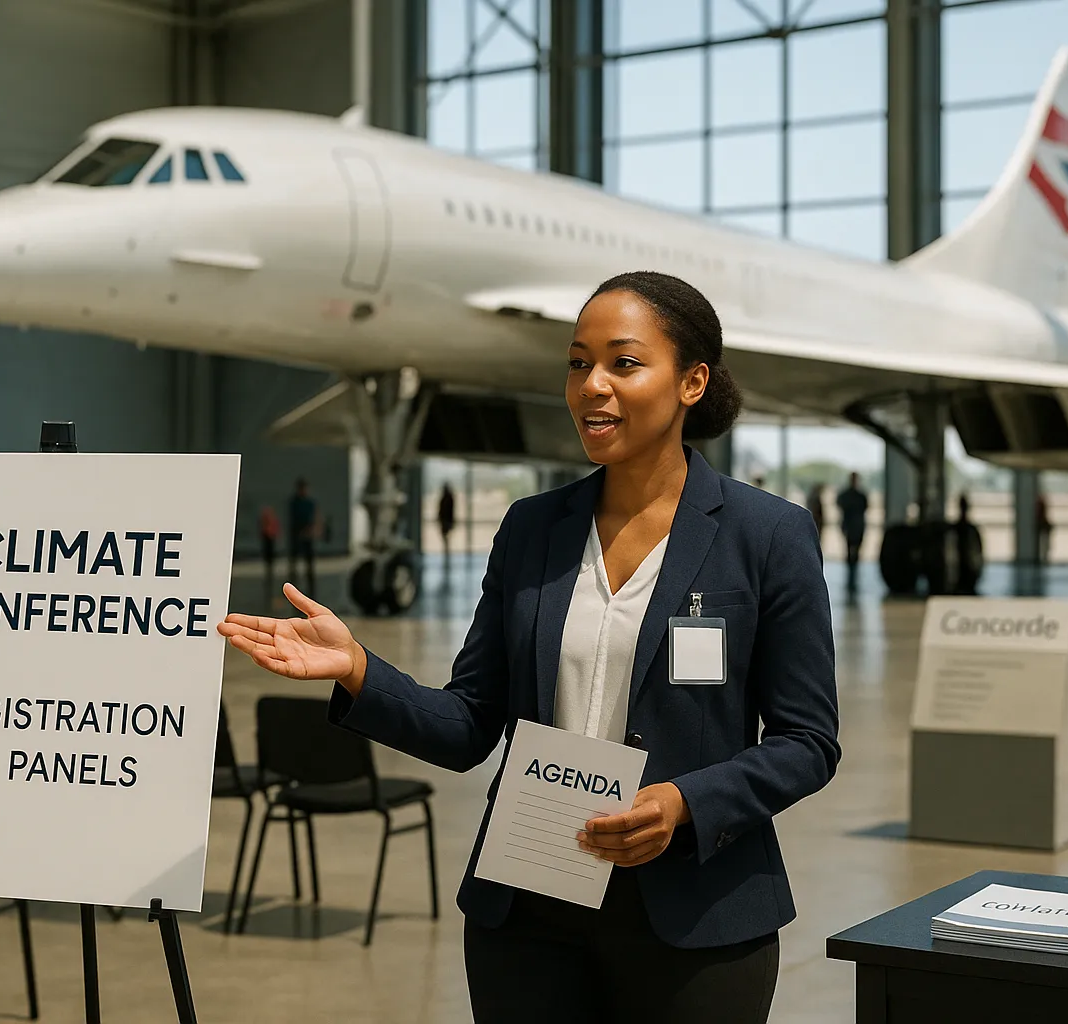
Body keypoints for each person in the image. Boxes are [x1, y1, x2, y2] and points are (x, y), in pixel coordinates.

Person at [219, 271, 838, 1024]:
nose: (592, 387)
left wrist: (683, 802)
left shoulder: (767, 535)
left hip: (694, 916)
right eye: (578, 364)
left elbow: (807, 741)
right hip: (529, 908)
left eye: (624, 363)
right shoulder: (531, 529)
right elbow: (470, 724)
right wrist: (357, 671)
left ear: (692, 381)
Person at [835, 472, 868, 580]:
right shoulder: (859, 496)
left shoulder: (848, 495)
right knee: (851, 548)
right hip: (854, 525)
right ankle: (852, 569)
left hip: (853, 525)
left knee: (853, 549)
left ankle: (852, 569)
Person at [288, 478, 318, 594]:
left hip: (307, 536)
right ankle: (293, 584)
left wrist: (312, 530)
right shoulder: (295, 503)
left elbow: (314, 518)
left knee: (309, 563)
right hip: (297, 535)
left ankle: (310, 586)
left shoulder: (309, 503)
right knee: (294, 562)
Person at [259, 505, 281, 593]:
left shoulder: (271, 521)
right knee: (268, 557)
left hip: (270, 540)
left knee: (270, 557)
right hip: (268, 540)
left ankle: (269, 570)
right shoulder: (266, 521)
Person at [437, 483, 457, 561]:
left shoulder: (445, 498)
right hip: (447, 520)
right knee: (446, 537)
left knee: (445, 537)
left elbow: (443, 510)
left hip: (445, 520)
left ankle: (446, 550)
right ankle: (447, 550)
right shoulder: (449, 498)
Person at [1034, 491, 1051, 565]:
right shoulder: (1041, 507)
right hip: (1043, 529)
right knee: (1044, 545)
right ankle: (1043, 558)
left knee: (1043, 545)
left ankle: (1043, 558)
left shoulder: (1040, 508)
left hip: (1042, 528)